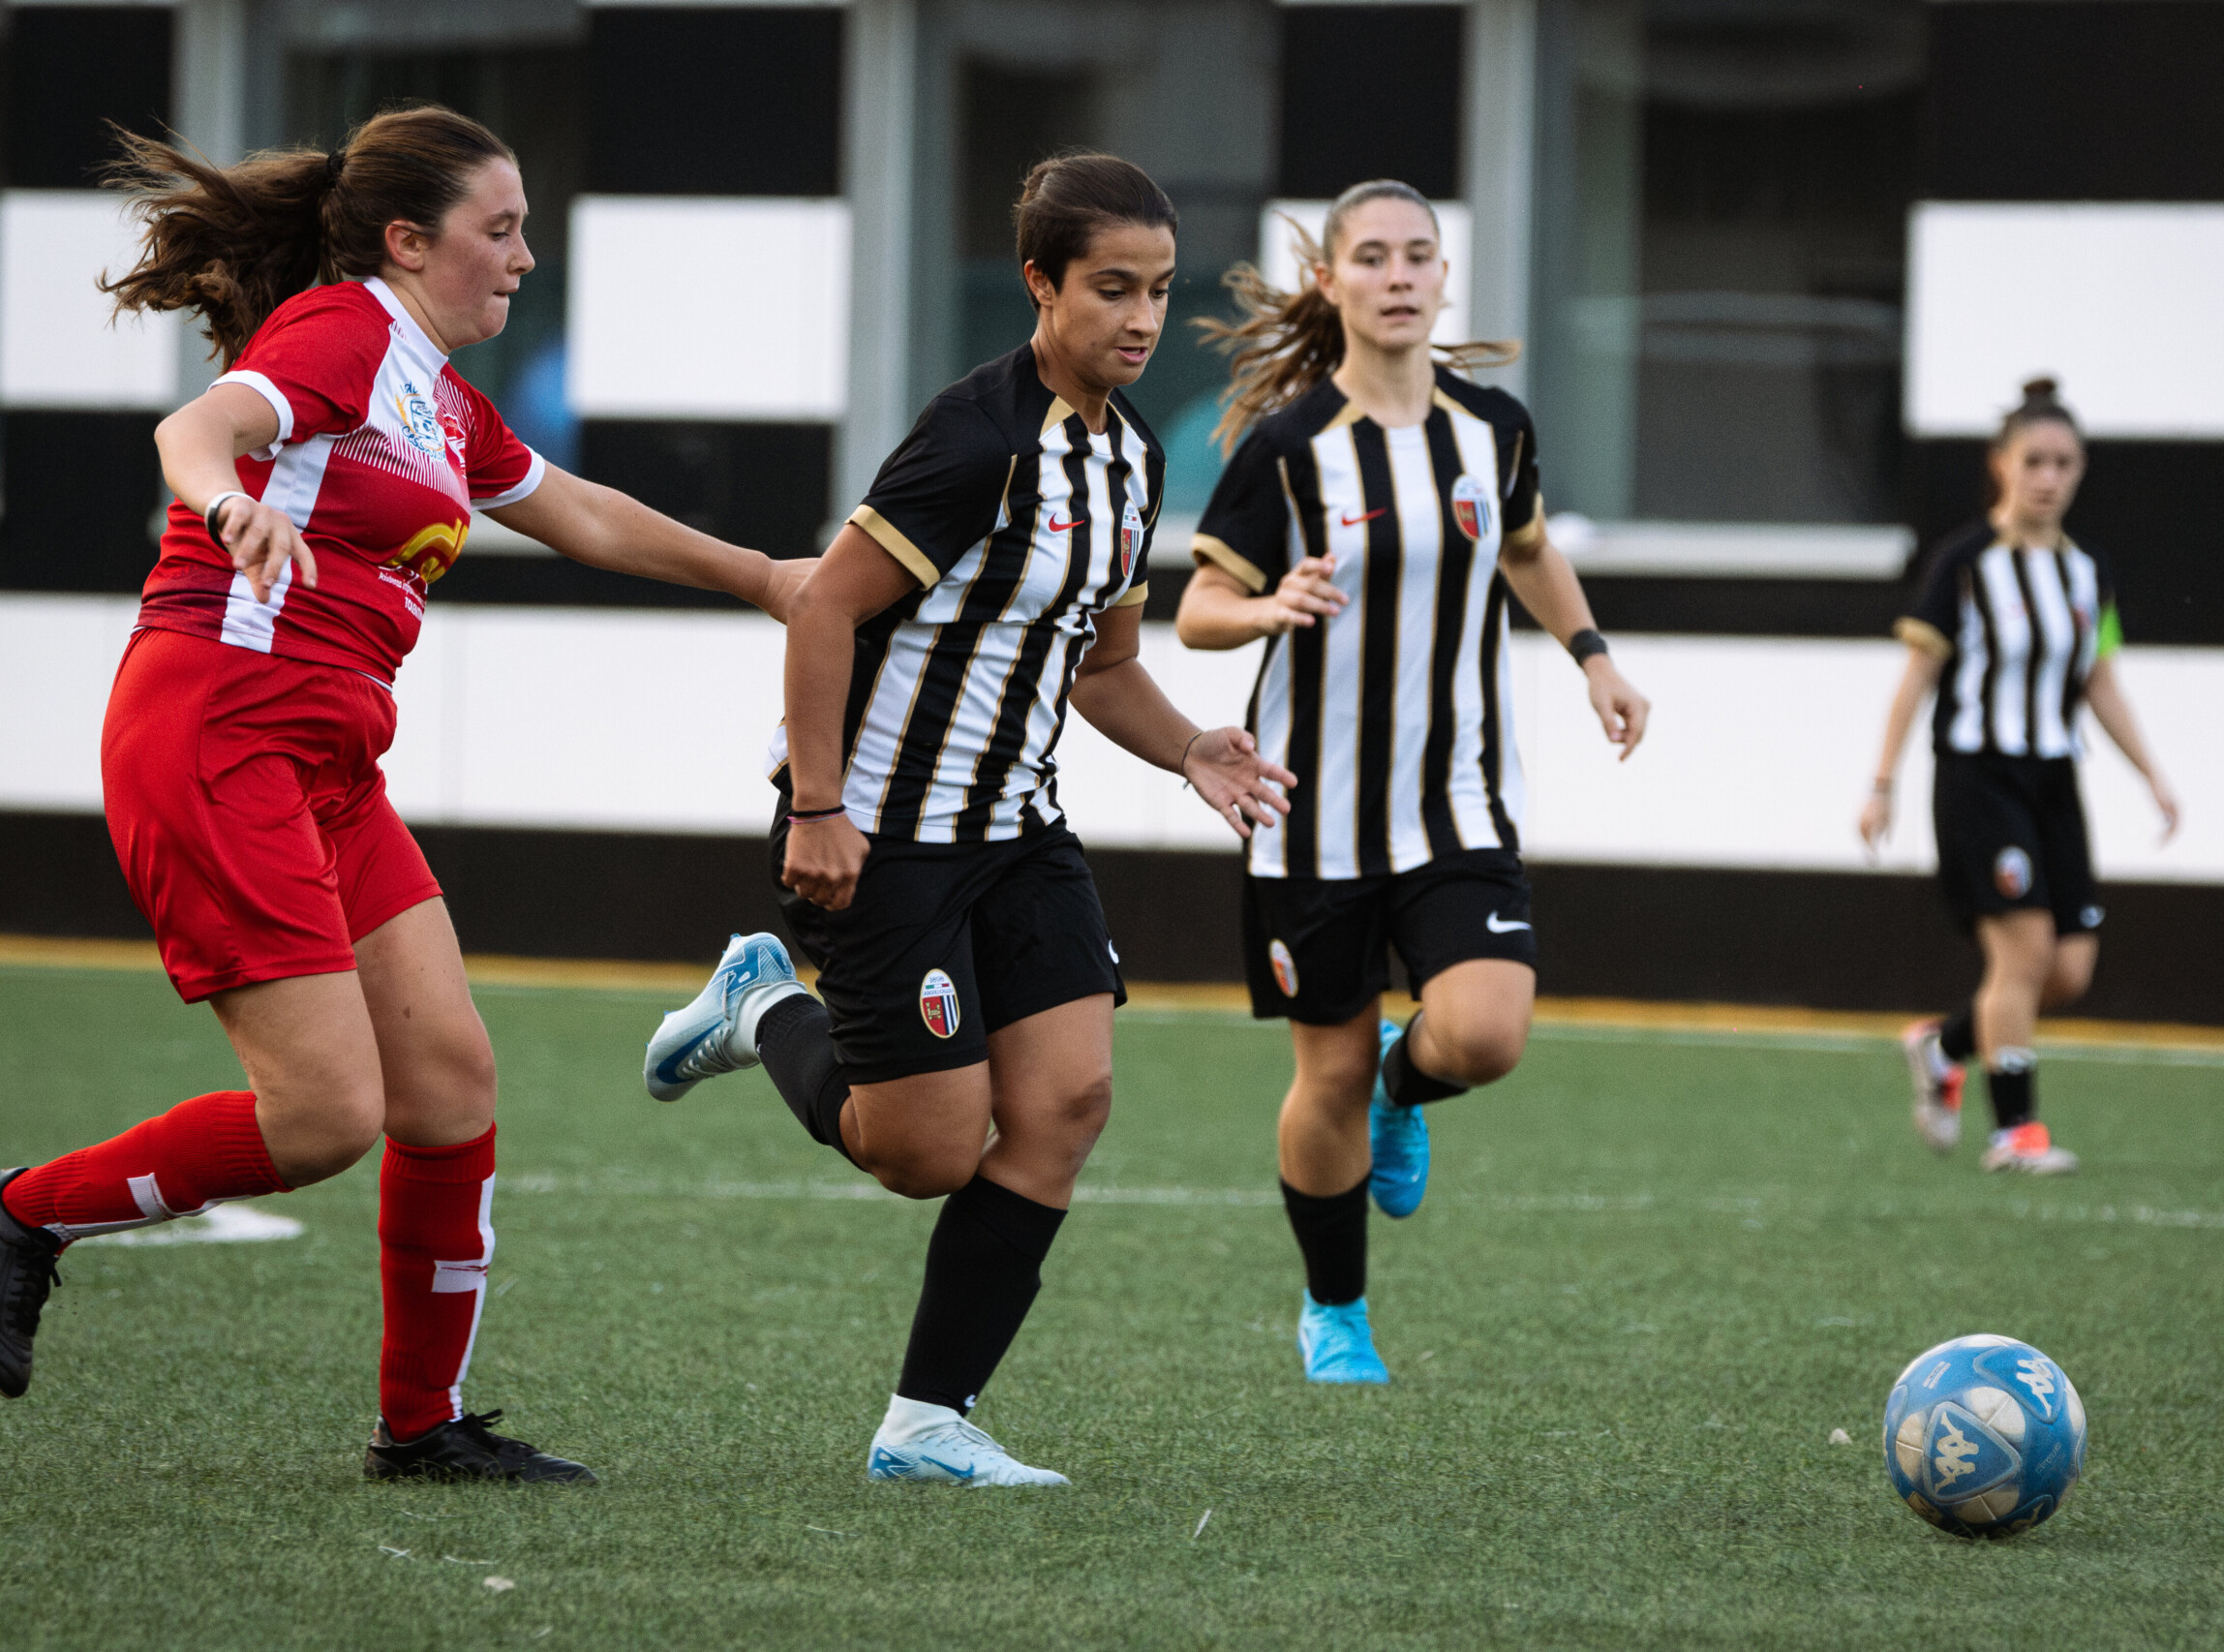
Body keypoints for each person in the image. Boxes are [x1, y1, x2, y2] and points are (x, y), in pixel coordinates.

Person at [0, 108, 814, 1481]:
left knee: (446, 1084)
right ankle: (25, 1215)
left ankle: (421, 1428)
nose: (524, 258)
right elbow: (201, 425)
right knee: (322, 1116)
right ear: (405, 241)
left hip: (324, 763)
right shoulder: (345, 332)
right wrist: (220, 501)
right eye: (499, 231)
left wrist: (770, 579)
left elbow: (583, 510)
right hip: (218, 731)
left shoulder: (435, 391)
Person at [640, 153, 1291, 1486]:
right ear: (1041, 282)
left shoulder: (1129, 456)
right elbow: (824, 604)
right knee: (924, 1151)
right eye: (1113, 288)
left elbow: (1100, 663)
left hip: (1022, 830)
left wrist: (1192, 751)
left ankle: (928, 1420)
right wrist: (816, 806)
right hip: (881, 832)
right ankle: (764, 1006)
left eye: (1160, 292)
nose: (1142, 318)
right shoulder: (975, 441)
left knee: (1069, 1099)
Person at [1173, 180, 1650, 1385]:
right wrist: (1265, 605)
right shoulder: (1288, 450)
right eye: (1371, 256)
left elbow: (1528, 550)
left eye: (1418, 255)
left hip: (1457, 803)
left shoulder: (1494, 430)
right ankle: (1335, 1312)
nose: (1397, 274)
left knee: (1487, 1033)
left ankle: (1406, 1084)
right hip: (1312, 817)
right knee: (1317, 1075)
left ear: (1443, 280)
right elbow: (1194, 610)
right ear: (1330, 283)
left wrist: (1593, 658)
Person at [1859, 378, 2178, 1174]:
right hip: (1978, 777)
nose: (2048, 477)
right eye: (2033, 460)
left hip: (2054, 780)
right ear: (2001, 465)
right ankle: (2017, 1132)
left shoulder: (2087, 573)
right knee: (2023, 953)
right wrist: (1882, 782)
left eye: (2064, 463)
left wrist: (2152, 777)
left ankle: (1943, 1048)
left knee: (2067, 971)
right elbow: (1916, 678)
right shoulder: (1964, 565)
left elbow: (2099, 680)